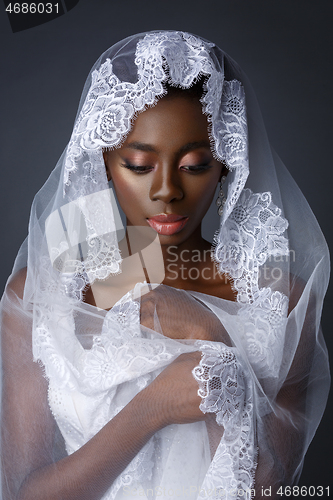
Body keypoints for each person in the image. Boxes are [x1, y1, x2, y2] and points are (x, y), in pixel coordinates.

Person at [0, 31, 330, 500]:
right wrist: (151, 409)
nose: (167, 190)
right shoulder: (39, 293)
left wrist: (213, 342)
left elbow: (267, 491)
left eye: (195, 165)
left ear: (226, 168)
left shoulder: (283, 300)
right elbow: (23, 493)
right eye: (138, 164)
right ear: (106, 162)